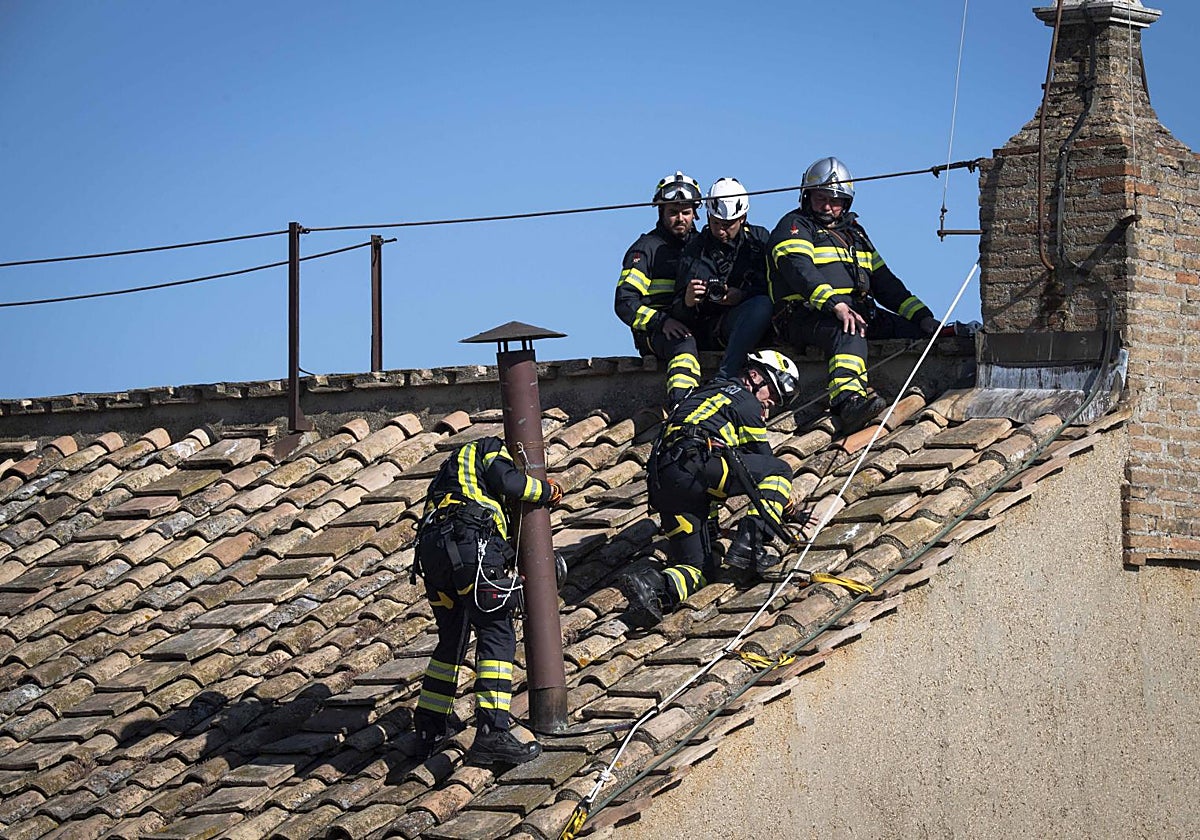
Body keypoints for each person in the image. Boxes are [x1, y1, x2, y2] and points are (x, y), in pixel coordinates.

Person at [619, 350, 800, 628]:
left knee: (699, 569)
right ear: (754, 376)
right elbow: (764, 460)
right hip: (697, 464)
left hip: (667, 484)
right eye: (772, 395)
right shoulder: (744, 400)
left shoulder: (704, 395)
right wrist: (785, 503)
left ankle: (653, 586)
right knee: (780, 470)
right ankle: (751, 544)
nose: (769, 406)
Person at [411, 435, 563, 766]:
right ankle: (492, 733)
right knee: (496, 629)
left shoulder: (448, 475)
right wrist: (547, 491)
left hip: (433, 554)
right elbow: (509, 482)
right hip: (469, 543)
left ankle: (429, 727)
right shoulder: (489, 446)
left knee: (451, 639)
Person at [767, 157, 940, 433]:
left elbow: (886, 283)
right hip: (805, 316)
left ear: (846, 203)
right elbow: (800, 271)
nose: (827, 206)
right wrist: (834, 304)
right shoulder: (794, 226)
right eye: (821, 198)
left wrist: (923, 317)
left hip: (855, 310)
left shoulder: (856, 235)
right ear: (806, 196)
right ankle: (847, 400)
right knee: (849, 330)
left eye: (835, 201)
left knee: (915, 332)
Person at [614, 170, 703, 406]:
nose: (680, 218)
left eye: (686, 212)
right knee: (684, 344)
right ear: (661, 211)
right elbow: (625, 302)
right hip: (657, 333)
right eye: (673, 212)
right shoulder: (645, 249)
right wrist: (662, 322)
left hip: (696, 323)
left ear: (695, 213)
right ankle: (681, 406)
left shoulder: (704, 246)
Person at [672, 178, 775, 381]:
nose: (720, 230)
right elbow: (677, 312)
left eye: (727, 225)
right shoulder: (694, 250)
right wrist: (688, 301)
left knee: (762, 304)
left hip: (755, 318)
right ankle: (725, 377)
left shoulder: (759, 240)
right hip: (712, 328)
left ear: (742, 218)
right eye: (715, 222)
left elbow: (776, 286)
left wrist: (742, 295)